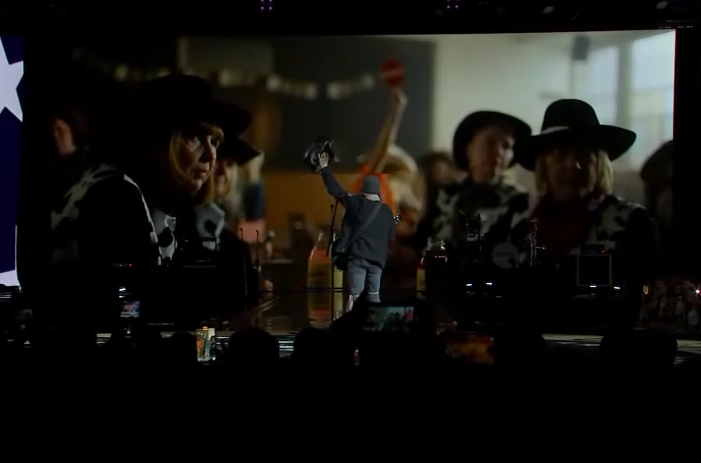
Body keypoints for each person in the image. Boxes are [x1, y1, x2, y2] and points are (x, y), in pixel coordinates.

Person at [48, 74, 255, 324]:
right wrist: (218, 294)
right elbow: (123, 308)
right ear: (158, 139)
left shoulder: (150, 197)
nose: (211, 155)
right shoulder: (114, 196)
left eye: (214, 142)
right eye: (194, 137)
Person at [512, 99, 659, 324]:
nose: (573, 164)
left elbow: (648, 300)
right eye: (560, 153)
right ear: (543, 164)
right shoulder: (517, 222)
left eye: (584, 154)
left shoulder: (633, 222)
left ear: (600, 164)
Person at [414, 110, 532, 257]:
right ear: (469, 148)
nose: (499, 152)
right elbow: (422, 241)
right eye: (490, 142)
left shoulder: (518, 201)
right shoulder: (445, 194)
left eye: (506, 146)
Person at [317, 151, 396, 304]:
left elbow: (336, 190)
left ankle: (352, 325)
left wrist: (325, 168)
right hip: (378, 260)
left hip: (358, 258)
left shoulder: (354, 203)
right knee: (374, 294)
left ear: (362, 189)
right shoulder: (386, 211)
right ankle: (375, 324)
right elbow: (391, 235)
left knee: (356, 295)